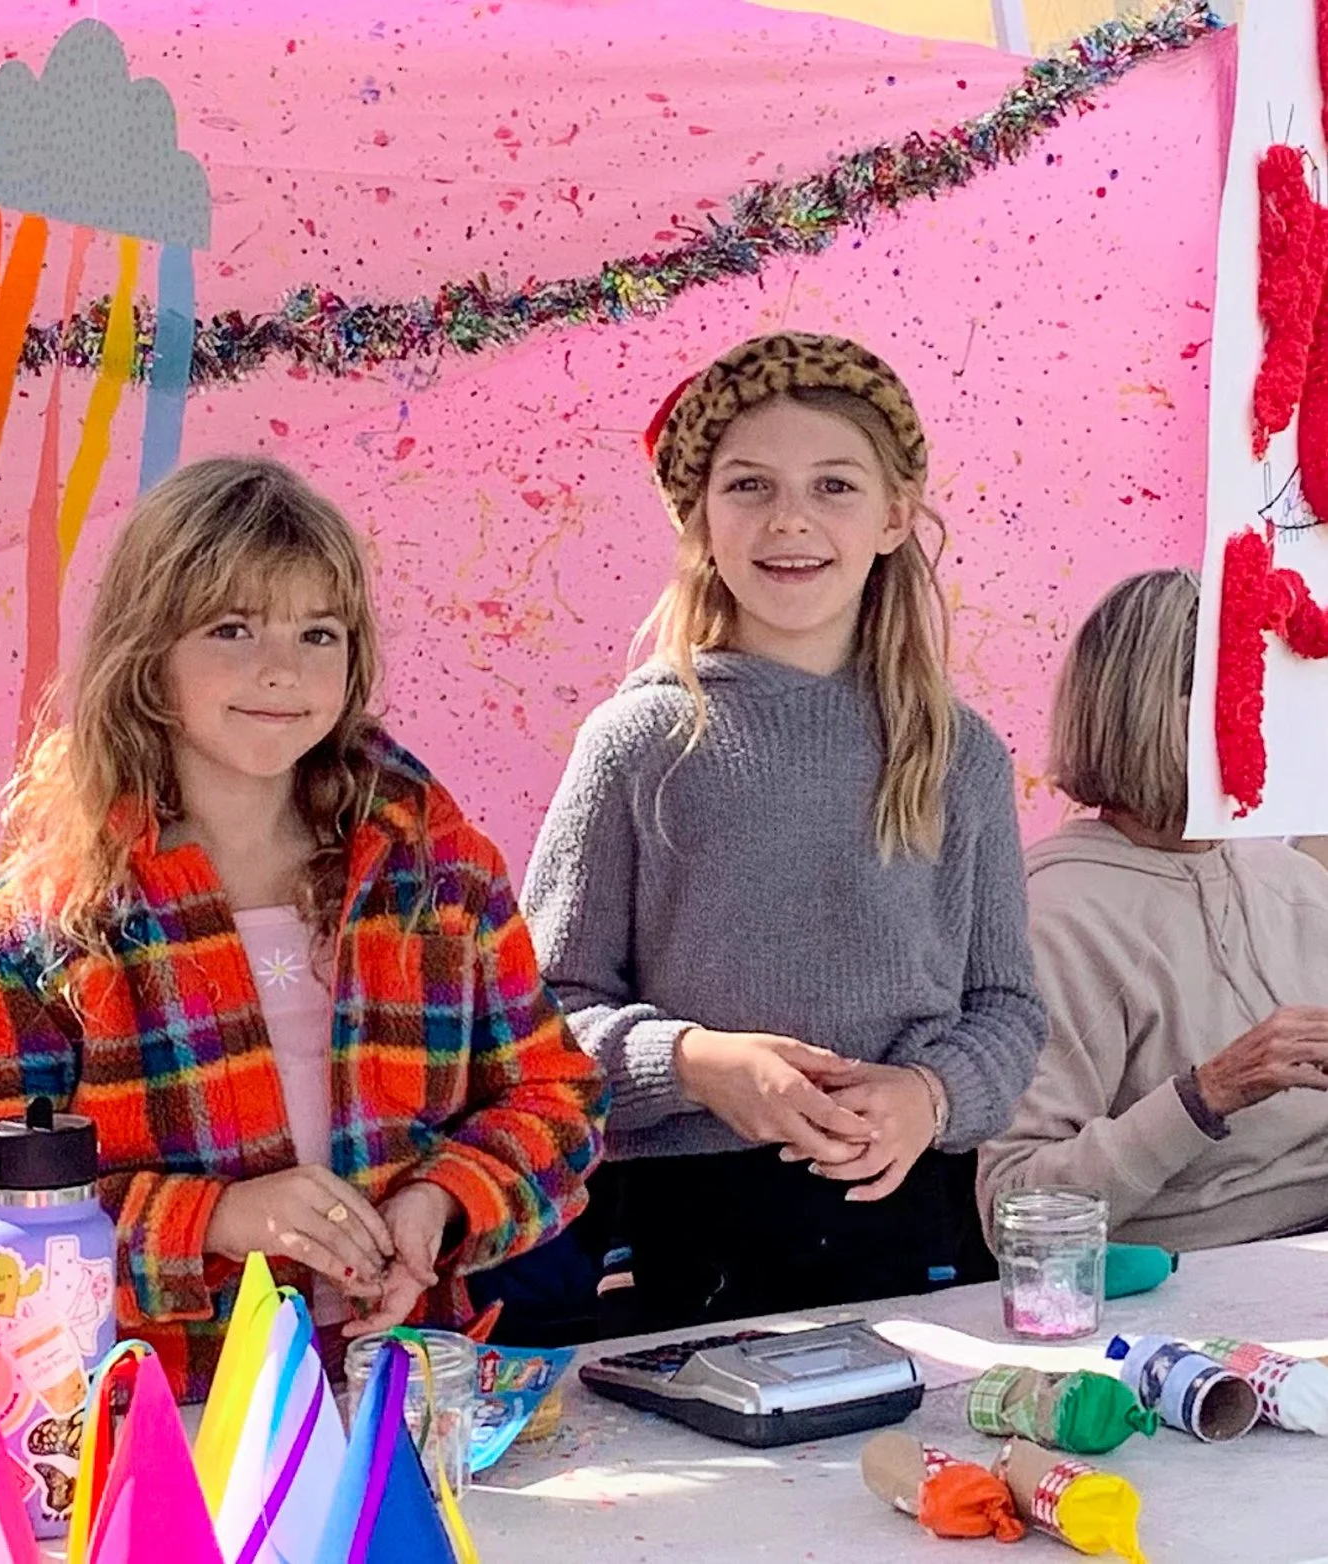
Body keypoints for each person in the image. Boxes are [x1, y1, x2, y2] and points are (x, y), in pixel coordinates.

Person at [0, 457, 605, 1400]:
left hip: (400, 1397)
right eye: (232, 628)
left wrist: (442, 1201)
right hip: (156, 1418)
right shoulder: (48, 916)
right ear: (147, 658)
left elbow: (560, 1099)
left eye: (320, 633)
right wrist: (219, 1220)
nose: (282, 669)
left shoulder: (439, 872)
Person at [521, 332, 1046, 1333]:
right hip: (680, 1238)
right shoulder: (638, 742)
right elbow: (542, 1019)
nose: (790, 519)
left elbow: (1006, 1007)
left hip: (910, 1224)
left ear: (894, 515)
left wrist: (929, 1096)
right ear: (700, 517)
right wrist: (693, 1062)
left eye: (834, 486)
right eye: (749, 486)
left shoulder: (956, 751)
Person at [977, 569, 1328, 1251]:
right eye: (1255, 694)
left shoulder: (1292, 881)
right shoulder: (1054, 915)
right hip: (1188, 1281)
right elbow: (1012, 1211)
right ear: (1155, 710)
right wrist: (1205, 1095)